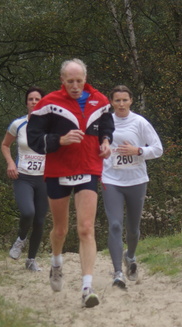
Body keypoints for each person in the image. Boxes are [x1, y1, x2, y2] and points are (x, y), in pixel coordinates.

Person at [27, 59, 114, 308]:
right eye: (70, 81)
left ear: (85, 79)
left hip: (88, 167)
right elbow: (34, 139)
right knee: (61, 230)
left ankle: (87, 287)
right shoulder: (48, 104)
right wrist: (60, 140)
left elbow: (107, 126)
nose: (75, 86)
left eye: (79, 81)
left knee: (86, 228)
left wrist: (106, 141)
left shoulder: (100, 101)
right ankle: (56, 263)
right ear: (62, 80)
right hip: (58, 170)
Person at [102, 85, 163, 288]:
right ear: (111, 102)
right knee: (115, 225)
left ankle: (131, 256)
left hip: (136, 180)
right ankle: (118, 273)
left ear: (131, 101)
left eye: (124, 100)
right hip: (111, 180)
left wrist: (137, 150)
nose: (121, 104)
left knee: (133, 229)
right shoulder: (105, 121)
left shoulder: (139, 122)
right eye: (117, 100)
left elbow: (158, 149)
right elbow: (93, 147)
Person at [1, 86, 48, 271]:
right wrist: (10, 163)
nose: (34, 102)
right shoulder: (18, 124)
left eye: (38, 99)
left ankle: (31, 260)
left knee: (39, 221)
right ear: (26, 103)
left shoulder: (50, 126)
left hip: (44, 178)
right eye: (31, 99)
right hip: (23, 177)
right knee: (28, 212)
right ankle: (20, 239)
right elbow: (5, 145)